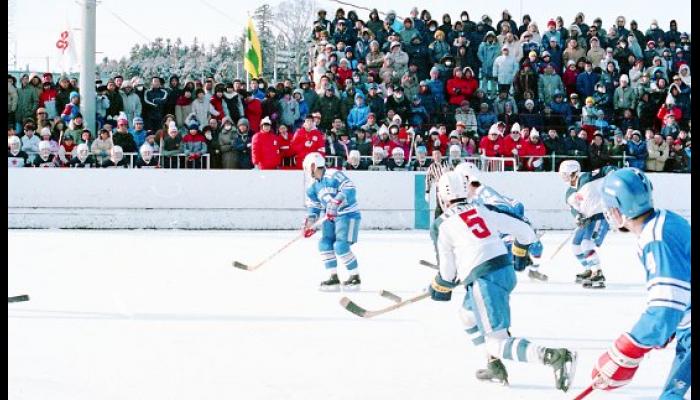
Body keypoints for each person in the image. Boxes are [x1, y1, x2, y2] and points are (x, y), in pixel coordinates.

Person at [428, 171, 576, 391]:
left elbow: (448, 274)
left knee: (497, 341)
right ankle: (493, 365)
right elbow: (525, 231)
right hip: (504, 271)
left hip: (484, 280)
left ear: (441, 196)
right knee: (467, 316)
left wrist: (438, 287)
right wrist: (519, 252)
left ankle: (554, 357)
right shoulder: (481, 208)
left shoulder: (441, 224)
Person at [593, 168, 690, 398]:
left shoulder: (655, 239)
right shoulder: (666, 220)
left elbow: (664, 308)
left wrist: (625, 349)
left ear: (618, 207)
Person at [455, 162, 547, 281]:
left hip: (509, 228)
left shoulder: (484, 192)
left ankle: (532, 269)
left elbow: (507, 210)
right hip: (499, 232)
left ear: (467, 178)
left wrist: (512, 233)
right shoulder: (468, 197)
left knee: (534, 247)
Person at [302, 152, 362, 291]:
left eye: (307, 167)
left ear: (313, 166)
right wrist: (310, 223)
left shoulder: (333, 174)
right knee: (324, 243)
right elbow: (314, 206)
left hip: (348, 215)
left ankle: (355, 277)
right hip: (329, 217)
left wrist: (337, 201)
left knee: (340, 246)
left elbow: (350, 188)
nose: (306, 171)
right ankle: (333, 277)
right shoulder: (312, 187)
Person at [558, 159, 616, 288]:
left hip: (599, 215)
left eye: (566, 174)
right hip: (587, 220)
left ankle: (597, 272)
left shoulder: (587, 178)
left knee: (586, 243)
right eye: (563, 174)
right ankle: (590, 269)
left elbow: (606, 169)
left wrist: (614, 172)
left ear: (575, 172)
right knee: (576, 245)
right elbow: (574, 209)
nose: (564, 177)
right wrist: (578, 217)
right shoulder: (569, 193)